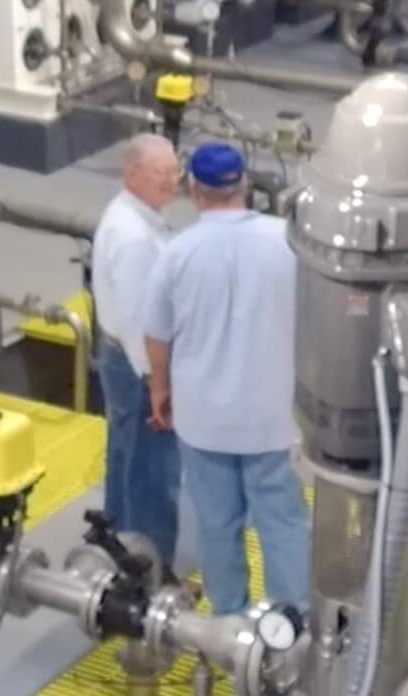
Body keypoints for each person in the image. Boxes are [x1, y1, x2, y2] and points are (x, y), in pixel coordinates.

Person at [141, 142, 309, 614]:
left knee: (217, 524)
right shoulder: (289, 242)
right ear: (246, 187)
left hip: (203, 419)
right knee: (284, 523)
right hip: (272, 416)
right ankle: (290, 626)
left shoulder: (177, 253)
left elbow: (157, 335)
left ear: (193, 191)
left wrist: (160, 389)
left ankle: (230, 630)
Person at [91, 135, 181, 568]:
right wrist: (157, 383)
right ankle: (151, 574)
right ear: (132, 174)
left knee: (128, 459)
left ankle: (118, 549)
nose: (172, 181)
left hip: (124, 361)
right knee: (151, 476)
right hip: (138, 370)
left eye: (174, 171)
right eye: (161, 173)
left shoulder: (138, 219)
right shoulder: (133, 238)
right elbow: (137, 320)